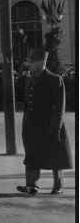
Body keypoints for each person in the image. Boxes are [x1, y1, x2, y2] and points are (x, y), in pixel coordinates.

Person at [17, 49, 73, 196]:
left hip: (49, 124)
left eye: (32, 62)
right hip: (32, 125)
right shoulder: (30, 78)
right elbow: (28, 104)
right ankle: (31, 186)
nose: (29, 64)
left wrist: (56, 127)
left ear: (42, 63)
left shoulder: (55, 79)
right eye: (29, 61)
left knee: (55, 155)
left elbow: (59, 107)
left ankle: (58, 185)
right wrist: (26, 124)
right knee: (32, 155)